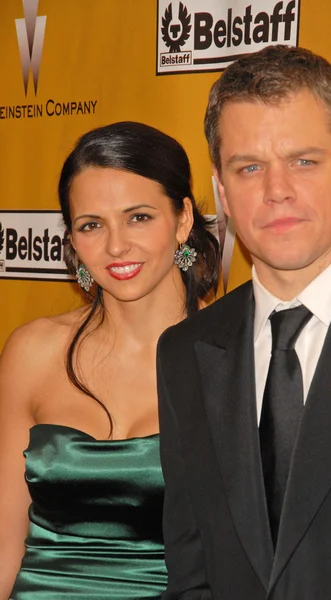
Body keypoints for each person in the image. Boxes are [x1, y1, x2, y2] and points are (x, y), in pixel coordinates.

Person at [157, 45, 331, 600]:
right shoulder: (185, 353)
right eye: (249, 168)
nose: (276, 191)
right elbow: (191, 572)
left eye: (304, 161)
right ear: (221, 189)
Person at [0, 121, 220, 600]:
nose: (116, 246)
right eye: (91, 225)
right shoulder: (32, 351)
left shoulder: (235, 357)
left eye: (138, 216)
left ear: (183, 219)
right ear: (73, 240)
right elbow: (2, 547)